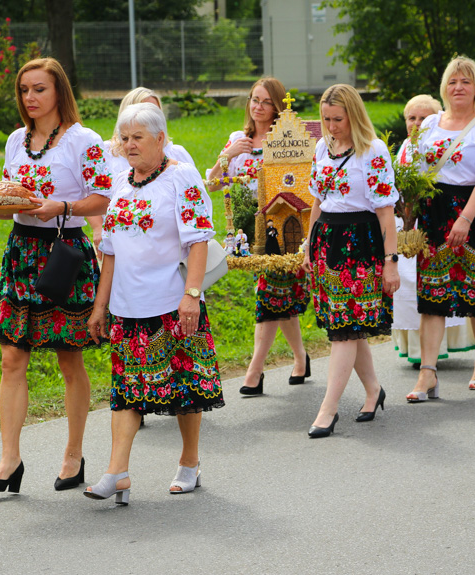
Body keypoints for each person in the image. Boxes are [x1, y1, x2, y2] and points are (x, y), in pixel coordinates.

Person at [0, 58, 113, 493]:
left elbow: (104, 196)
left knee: (69, 358)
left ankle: (74, 455)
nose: (30, 99)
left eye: (39, 90)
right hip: (21, 252)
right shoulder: (17, 140)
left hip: (64, 253)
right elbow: (14, 202)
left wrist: (63, 207)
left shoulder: (83, 140)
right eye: (24, 91)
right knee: (12, 356)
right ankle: (9, 459)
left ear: (59, 93)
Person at [85, 103, 224, 504]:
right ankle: (117, 472)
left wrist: (192, 295)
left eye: (137, 138)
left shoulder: (181, 178)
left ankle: (189, 461)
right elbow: (109, 252)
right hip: (127, 309)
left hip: (171, 304)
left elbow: (198, 239)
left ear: (161, 140)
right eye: (124, 138)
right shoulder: (121, 187)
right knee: (126, 391)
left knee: (183, 389)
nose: (128, 145)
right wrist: (101, 305)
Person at [407, 56, 475, 401]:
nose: (459, 87)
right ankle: (427, 373)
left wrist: (465, 218)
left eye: (465, 81)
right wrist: (408, 214)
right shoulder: (431, 123)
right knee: (432, 296)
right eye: (453, 82)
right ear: (444, 88)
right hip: (434, 213)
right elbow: (413, 170)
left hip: (474, 211)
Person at [302, 84, 400, 438]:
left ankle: (328, 410)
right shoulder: (322, 148)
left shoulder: (373, 151)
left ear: (354, 115)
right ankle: (373, 390)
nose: (331, 126)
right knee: (348, 325)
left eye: (338, 119)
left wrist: (391, 261)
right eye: (326, 119)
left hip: (360, 242)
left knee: (344, 329)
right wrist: (308, 245)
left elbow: (386, 214)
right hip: (328, 240)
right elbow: (317, 201)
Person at [207, 78, 310, 395]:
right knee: (281, 297)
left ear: (277, 106)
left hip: (284, 220)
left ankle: (254, 370)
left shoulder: (286, 138)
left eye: (265, 101)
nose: (258, 106)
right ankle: (301, 358)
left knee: (270, 293)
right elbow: (212, 183)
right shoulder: (239, 139)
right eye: (254, 99)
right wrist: (228, 156)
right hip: (248, 225)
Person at [393, 94, 475, 367]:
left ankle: (438, 346)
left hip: (432, 219)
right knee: (406, 283)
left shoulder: (436, 146)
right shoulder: (404, 146)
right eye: (411, 118)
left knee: (430, 282)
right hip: (404, 223)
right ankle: (415, 348)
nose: (416, 124)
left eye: (423, 118)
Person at [88, 87, 195, 246]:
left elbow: (193, 208)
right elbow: (90, 192)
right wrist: (98, 228)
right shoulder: (106, 153)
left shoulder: (176, 155)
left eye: (155, 111)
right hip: (118, 237)